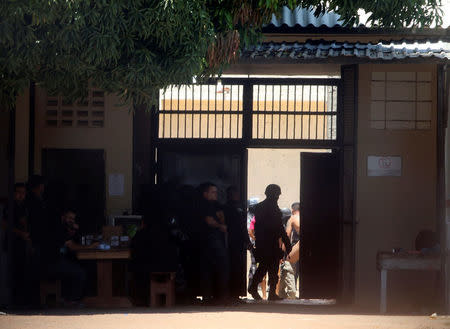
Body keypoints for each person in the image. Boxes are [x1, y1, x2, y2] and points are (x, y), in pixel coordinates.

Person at [43, 209, 96, 306]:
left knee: (81, 267)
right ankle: (72, 300)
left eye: (73, 219)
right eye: (69, 218)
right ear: (63, 217)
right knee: (80, 272)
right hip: (52, 262)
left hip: (59, 260)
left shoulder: (65, 229)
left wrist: (74, 230)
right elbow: (72, 246)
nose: (71, 221)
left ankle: (69, 298)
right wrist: (90, 247)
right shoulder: (58, 228)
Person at [247, 184, 291, 301]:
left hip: (264, 241)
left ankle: (268, 292)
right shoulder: (272, 208)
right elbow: (279, 228)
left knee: (267, 267)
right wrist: (287, 243)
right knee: (268, 267)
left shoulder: (260, 207)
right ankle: (261, 290)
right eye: (276, 195)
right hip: (269, 242)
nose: (277, 197)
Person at [198, 182, 229, 304]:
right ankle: (207, 296)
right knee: (207, 269)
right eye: (212, 192)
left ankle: (219, 296)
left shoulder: (216, 205)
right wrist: (221, 226)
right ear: (205, 194)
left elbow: (222, 217)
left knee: (221, 267)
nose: (215, 194)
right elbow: (209, 220)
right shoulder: (203, 205)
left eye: (216, 192)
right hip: (208, 241)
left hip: (217, 240)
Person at [223, 186, 250, 301]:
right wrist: (247, 241)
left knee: (236, 268)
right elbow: (241, 227)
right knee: (233, 268)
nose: (237, 196)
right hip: (232, 242)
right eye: (235, 194)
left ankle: (234, 294)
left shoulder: (234, 208)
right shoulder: (230, 208)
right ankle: (232, 294)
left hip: (235, 242)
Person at [277, 202, 301, 299]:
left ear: (292, 210)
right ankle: (281, 292)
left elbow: (286, 235)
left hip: (300, 243)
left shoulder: (292, 218)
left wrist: (282, 253)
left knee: (287, 264)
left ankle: (291, 294)